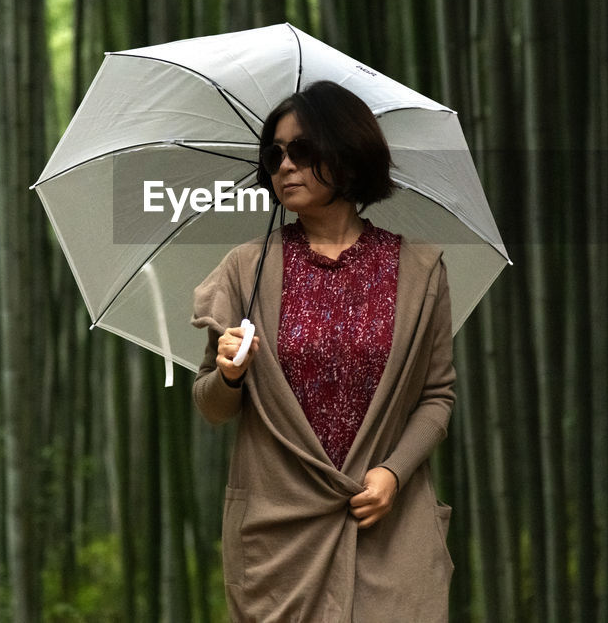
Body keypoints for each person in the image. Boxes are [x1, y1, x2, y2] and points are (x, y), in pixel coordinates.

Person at [191, 79, 456, 622]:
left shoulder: (420, 269)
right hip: (279, 538)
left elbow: (436, 395)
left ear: (349, 153)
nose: (285, 165)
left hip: (386, 526)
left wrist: (392, 473)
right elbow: (211, 407)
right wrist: (229, 376)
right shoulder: (246, 269)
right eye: (275, 154)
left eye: (303, 151)